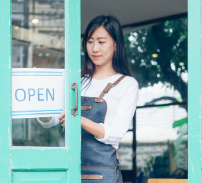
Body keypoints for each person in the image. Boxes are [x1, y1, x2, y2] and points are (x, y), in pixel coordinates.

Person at [37, 15, 139, 183]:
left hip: (102, 172)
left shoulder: (127, 84)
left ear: (116, 44)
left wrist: (78, 119)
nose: (94, 48)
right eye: (90, 41)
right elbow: (53, 119)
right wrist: (39, 101)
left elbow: (115, 133)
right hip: (69, 169)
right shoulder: (77, 80)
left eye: (101, 41)